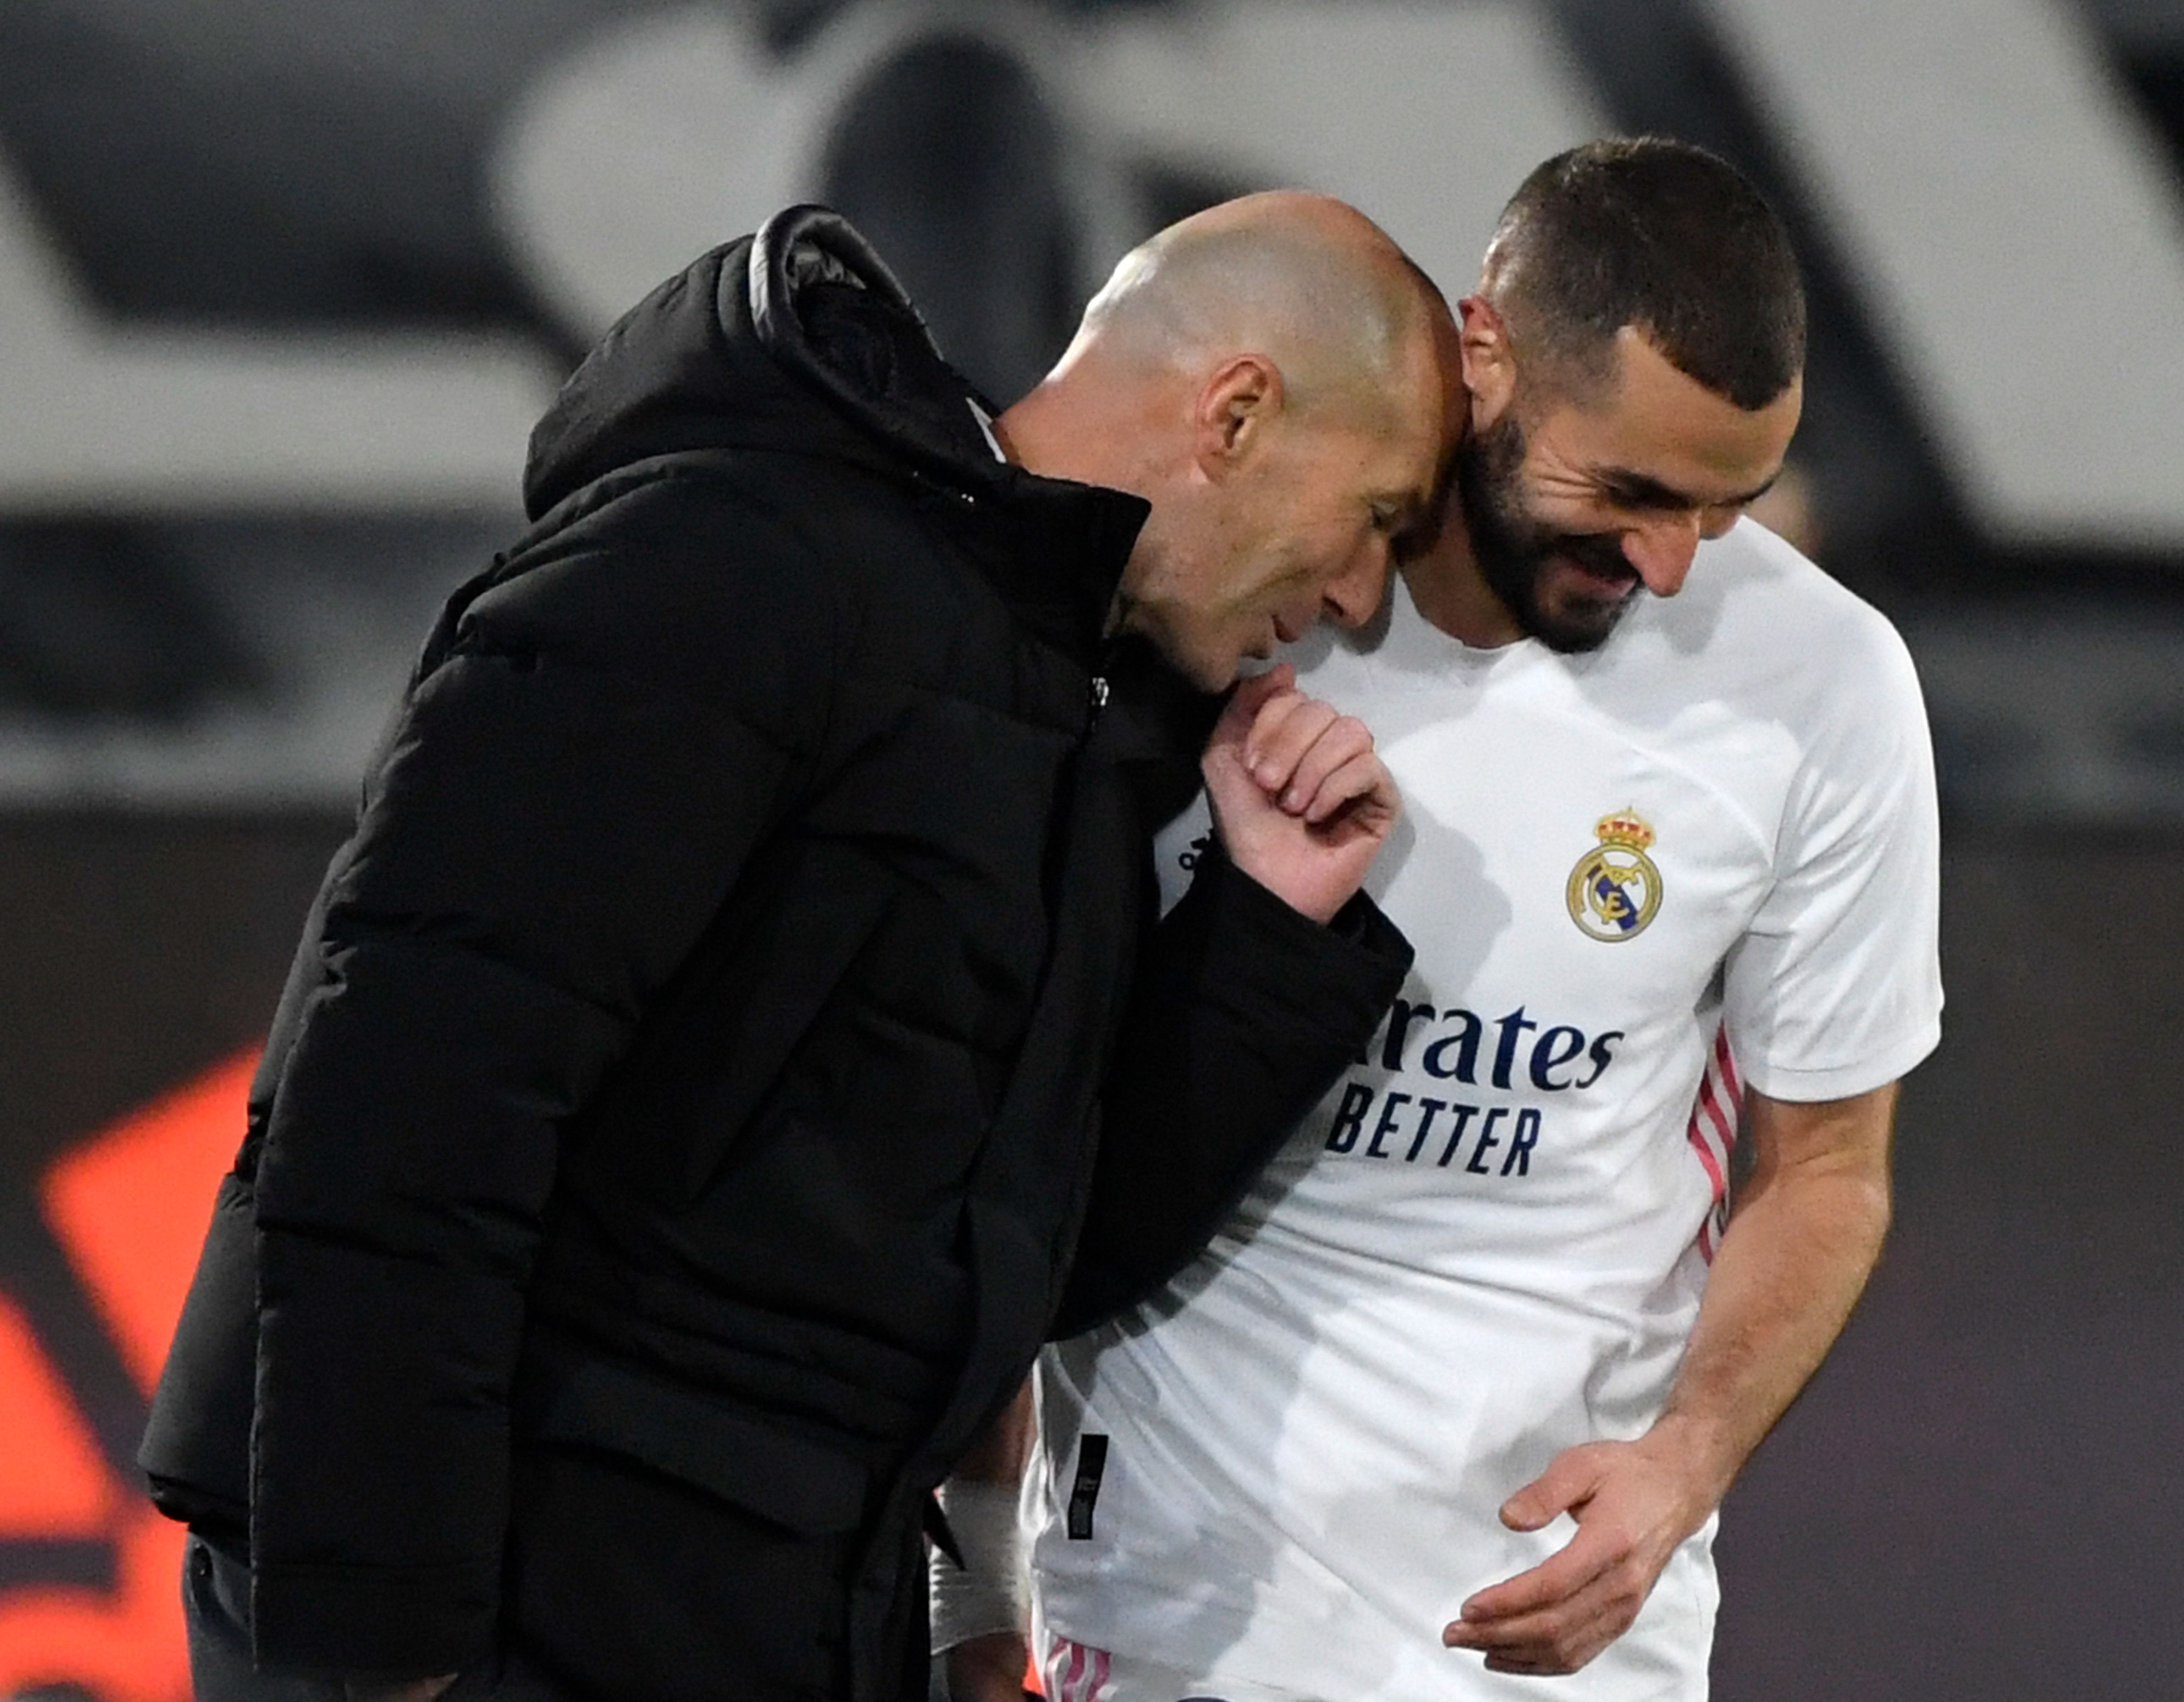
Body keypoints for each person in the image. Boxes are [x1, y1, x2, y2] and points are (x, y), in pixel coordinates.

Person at [138, 190, 1465, 1702]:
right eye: (1375, 520)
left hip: (761, 1628)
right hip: (500, 1618)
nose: (1359, 603)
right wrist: (382, 1647)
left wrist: (1260, 929)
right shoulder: (727, 557)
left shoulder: (1070, 718)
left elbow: (1027, 1255)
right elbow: (402, 1098)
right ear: (1236, 415)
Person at [996, 138, 1941, 1700]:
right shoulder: (1221, 598)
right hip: (1159, 1620)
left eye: (1723, 507)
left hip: (1554, 1637)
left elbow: (1828, 1169)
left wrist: (1687, 1464)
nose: (1664, 561)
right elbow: (1018, 1146)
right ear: (1484, 345)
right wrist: (979, 1571)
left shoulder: (1823, 683)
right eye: (1628, 490)